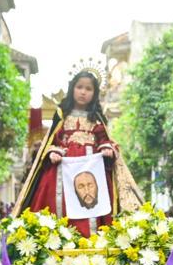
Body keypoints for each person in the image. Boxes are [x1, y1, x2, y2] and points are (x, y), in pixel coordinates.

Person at [14, 71, 141, 236]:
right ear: (72, 88)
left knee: (95, 201)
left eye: (88, 89)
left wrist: (106, 147)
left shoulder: (96, 118)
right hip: (63, 168)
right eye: (79, 87)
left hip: (93, 168)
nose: (83, 92)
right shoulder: (62, 115)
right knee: (60, 202)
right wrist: (53, 151)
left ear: (94, 93)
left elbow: (104, 138)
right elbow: (53, 139)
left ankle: (94, 239)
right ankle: (59, 238)